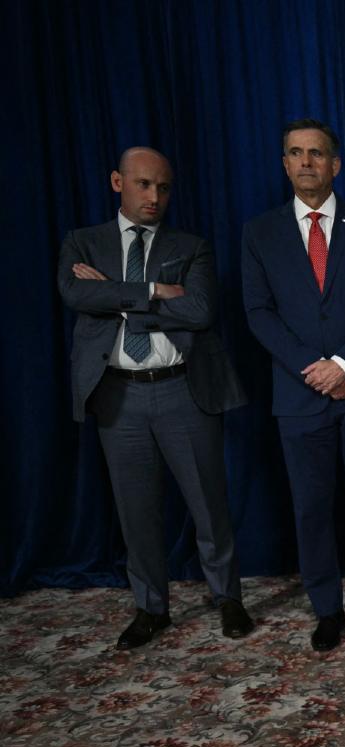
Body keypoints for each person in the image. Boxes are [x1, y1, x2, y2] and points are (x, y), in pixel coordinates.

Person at [58, 147, 253, 649]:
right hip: (117, 395)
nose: (154, 196)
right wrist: (156, 291)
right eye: (143, 184)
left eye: (163, 188)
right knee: (136, 509)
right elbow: (77, 295)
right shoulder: (83, 242)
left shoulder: (191, 246)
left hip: (183, 389)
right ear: (117, 182)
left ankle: (228, 597)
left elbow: (201, 310)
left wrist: (116, 295)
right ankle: (151, 608)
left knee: (208, 502)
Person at [241, 118, 345, 652]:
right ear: (285, 164)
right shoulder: (260, 233)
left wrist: (344, 365)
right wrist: (316, 370)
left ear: (335, 164)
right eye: (296, 153)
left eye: (316, 153)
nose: (306, 162)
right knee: (311, 509)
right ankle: (327, 610)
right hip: (299, 396)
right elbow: (259, 313)